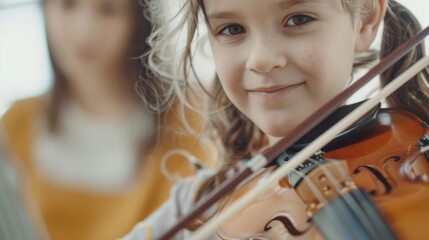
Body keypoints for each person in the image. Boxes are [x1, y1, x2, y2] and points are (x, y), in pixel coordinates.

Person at [124, 0, 429, 239]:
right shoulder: (196, 208)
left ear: (366, 20)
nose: (261, 59)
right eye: (232, 29)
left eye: (298, 19)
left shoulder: (420, 158)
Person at [1, 0, 214, 239]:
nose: (85, 29)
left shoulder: (188, 118)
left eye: (109, 10)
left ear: (141, 19)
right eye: (68, 5)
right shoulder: (15, 123)